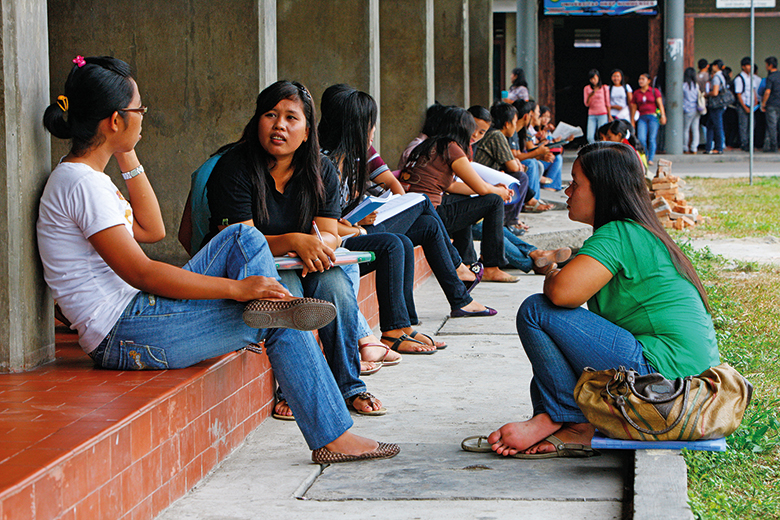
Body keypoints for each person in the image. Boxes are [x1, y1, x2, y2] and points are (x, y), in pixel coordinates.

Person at [37, 56, 398, 463]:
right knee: (281, 318)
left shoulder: (89, 178)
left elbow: (153, 231)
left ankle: (270, 309)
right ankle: (333, 436)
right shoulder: (82, 185)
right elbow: (142, 272)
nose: (143, 118)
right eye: (139, 110)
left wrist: (124, 152)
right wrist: (238, 289)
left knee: (242, 237)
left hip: (137, 315)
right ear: (114, 121)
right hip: (124, 334)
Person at [482, 142, 719, 458]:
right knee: (549, 367)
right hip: (689, 389)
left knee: (536, 312)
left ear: (603, 190)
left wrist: (551, 270)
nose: (567, 191)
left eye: (576, 183)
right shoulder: (639, 232)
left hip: (666, 383)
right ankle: (564, 417)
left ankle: (567, 421)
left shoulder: (619, 233)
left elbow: (562, 293)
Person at [205, 80, 386, 418]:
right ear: (257, 121)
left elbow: (330, 233)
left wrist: (319, 246)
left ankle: (350, 386)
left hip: (304, 261)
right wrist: (293, 240)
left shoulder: (321, 169)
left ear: (306, 132)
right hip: (248, 266)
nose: (279, 125)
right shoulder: (234, 167)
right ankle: (292, 389)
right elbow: (238, 239)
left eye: (291, 118)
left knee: (337, 290)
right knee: (286, 294)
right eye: (271, 115)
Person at [402, 106, 518, 285]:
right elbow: (481, 189)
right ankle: (491, 267)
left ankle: (466, 261)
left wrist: (492, 187)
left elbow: (454, 186)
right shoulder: (451, 148)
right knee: (494, 201)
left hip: (417, 210)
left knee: (464, 202)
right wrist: (499, 191)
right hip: (431, 213)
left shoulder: (429, 144)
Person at [630, 73, 666, 165]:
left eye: (643, 79)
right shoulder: (637, 93)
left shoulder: (654, 91)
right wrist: (632, 120)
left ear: (649, 81)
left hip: (653, 116)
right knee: (641, 138)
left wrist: (663, 115)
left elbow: (660, 104)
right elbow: (633, 107)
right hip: (642, 117)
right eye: (639, 79)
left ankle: (650, 158)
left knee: (652, 138)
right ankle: (645, 154)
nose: (640, 81)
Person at [734, 57, 761, 152]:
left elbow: (753, 90)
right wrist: (744, 107)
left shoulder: (751, 77)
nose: (750, 67)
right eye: (748, 65)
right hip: (744, 104)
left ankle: (750, 143)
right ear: (743, 66)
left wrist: (756, 101)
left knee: (752, 125)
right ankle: (744, 144)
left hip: (752, 105)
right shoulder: (739, 78)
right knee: (744, 125)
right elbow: (739, 94)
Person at [583, 69, 612, 144]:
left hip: (602, 114)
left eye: (595, 78)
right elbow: (586, 104)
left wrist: (609, 115)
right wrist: (590, 96)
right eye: (591, 79)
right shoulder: (587, 88)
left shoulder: (604, 87)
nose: (593, 80)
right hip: (592, 114)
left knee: (602, 135)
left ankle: (601, 150)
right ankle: (593, 151)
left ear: (598, 78)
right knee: (590, 136)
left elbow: (607, 102)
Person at [705, 59, 727, 155]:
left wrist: (706, 94)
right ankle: (708, 147)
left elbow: (715, 92)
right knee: (710, 125)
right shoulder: (722, 76)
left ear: (715, 66)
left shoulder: (716, 77)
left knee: (718, 126)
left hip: (716, 105)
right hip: (720, 105)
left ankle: (719, 147)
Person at [761, 56, 780, 153]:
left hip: (772, 104)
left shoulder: (770, 77)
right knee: (772, 125)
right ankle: (767, 145)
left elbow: (767, 92)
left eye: (766, 65)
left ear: (770, 65)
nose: (765, 67)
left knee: (772, 126)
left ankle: (774, 146)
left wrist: (763, 103)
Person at [682, 67, 702, 154]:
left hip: (687, 109)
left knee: (685, 129)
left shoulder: (683, 86)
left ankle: (685, 147)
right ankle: (694, 148)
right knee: (695, 129)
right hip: (697, 109)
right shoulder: (696, 85)